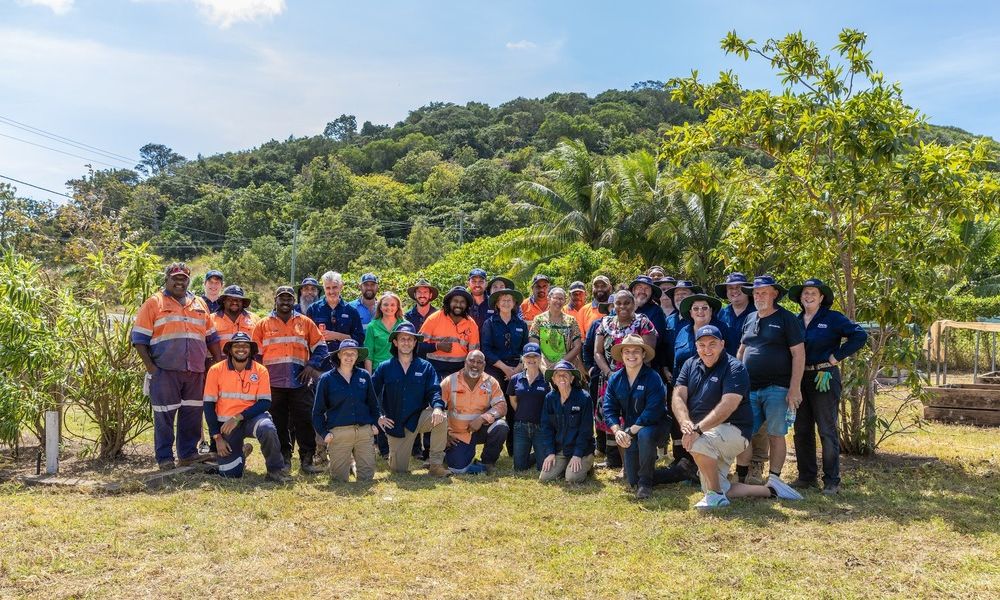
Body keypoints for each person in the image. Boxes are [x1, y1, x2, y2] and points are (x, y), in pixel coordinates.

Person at [672, 325, 803, 509]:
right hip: (704, 432)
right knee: (715, 484)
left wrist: (697, 429)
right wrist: (685, 421)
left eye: (712, 344)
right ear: (696, 346)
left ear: (722, 344)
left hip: (734, 430)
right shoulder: (690, 364)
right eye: (702, 345)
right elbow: (678, 395)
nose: (707, 350)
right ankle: (771, 491)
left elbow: (728, 406)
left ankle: (716, 496)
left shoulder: (735, 367)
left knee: (697, 443)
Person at [132, 263, 222, 470]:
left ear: (189, 281)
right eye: (176, 278)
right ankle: (164, 458)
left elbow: (211, 336)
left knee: (192, 413)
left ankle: (188, 454)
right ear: (167, 280)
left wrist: (217, 362)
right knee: (164, 415)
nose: (180, 282)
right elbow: (139, 340)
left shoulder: (199, 303)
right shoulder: (154, 303)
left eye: (184, 279)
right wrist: (152, 369)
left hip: (195, 371)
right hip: (165, 371)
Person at [788, 278, 867, 494]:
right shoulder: (795, 321)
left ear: (822, 297)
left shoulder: (832, 318)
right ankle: (806, 477)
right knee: (801, 429)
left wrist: (837, 356)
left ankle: (832, 480)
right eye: (805, 292)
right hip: (800, 379)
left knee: (826, 429)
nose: (809, 296)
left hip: (824, 376)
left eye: (813, 293)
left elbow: (860, 335)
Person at [734, 275, 806, 486]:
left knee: (776, 434)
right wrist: (735, 381)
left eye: (763, 292)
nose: (758, 296)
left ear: (775, 294)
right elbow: (742, 350)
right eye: (756, 292)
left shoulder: (786, 318)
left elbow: (799, 354)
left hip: (778, 387)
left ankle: (774, 480)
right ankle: (742, 478)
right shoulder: (750, 318)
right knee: (744, 433)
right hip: (750, 388)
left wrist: (794, 388)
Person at [252, 286, 329, 474]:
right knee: (278, 422)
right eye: (281, 299)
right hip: (273, 384)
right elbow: (255, 355)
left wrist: (311, 366)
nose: (285, 302)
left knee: (305, 420)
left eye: (289, 299)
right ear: (275, 300)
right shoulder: (263, 324)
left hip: (300, 382)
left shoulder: (305, 322)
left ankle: (307, 459)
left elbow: (321, 347)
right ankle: (284, 458)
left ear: (293, 301)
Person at [203, 332, 290, 482]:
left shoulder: (260, 370)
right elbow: (208, 405)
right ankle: (241, 453)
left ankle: (275, 471)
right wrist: (217, 437)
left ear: (251, 350)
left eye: (245, 346)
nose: (241, 349)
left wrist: (238, 417)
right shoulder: (216, 370)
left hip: (252, 419)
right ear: (230, 350)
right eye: (237, 345)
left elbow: (265, 402)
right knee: (230, 475)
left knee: (267, 428)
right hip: (226, 425)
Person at [372, 322, 449, 477]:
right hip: (396, 424)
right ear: (395, 342)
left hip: (418, 418)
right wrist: (378, 416)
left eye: (410, 339)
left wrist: (437, 407)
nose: (406, 342)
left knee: (442, 418)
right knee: (398, 471)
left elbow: (434, 390)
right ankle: (397, 459)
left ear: (415, 343)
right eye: (402, 339)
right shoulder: (384, 367)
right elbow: (370, 393)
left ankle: (435, 465)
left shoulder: (425, 367)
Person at [593, 290, 657, 471]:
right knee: (614, 420)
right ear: (613, 306)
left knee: (630, 421)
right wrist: (609, 373)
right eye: (618, 303)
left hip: (637, 380)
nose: (622, 307)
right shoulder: (605, 323)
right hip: (610, 379)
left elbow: (648, 353)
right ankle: (619, 463)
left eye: (627, 303)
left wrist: (630, 375)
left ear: (634, 304)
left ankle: (632, 464)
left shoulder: (643, 322)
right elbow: (597, 352)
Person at [603, 334, 670, 499]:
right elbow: (608, 408)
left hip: (655, 427)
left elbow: (653, 411)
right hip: (631, 430)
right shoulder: (616, 379)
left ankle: (646, 483)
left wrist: (630, 431)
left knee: (645, 433)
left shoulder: (653, 378)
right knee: (632, 480)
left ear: (643, 354)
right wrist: (617, 430)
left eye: (636, 351)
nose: (631, 355)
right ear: (622, 354)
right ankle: (679, 471)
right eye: (627, 351)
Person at [312, 339, 379, 483]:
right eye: (345, 353)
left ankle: (354, 465)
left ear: (357, 357)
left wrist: (375, 424)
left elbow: (374, 404)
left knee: (367, 478)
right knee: (339, 479)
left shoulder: (364, 376)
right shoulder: (326, 379)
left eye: (353, 354)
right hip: (339, 433)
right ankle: (346, 463)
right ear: (339, 356)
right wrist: (324, 434)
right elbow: (317, 412)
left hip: (363, 432)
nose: (349, 357)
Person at [441, 351, 508, 474]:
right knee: (457, 469)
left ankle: (487, 462)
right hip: (457, 435)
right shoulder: (450, 381)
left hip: (481, 429)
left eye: (479, 362)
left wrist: (483, 418)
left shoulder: (490, 382)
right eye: (471, 361)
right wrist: (444, 434)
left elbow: (502, 406)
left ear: (484, 365)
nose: (475, 365)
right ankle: (450, 454)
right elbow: (436, 409)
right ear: (465, 362)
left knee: (501, 427)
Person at [538, 360, 596, 483]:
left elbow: (586, 430)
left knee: (572, 478)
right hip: (561, 449)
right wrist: (550, 452)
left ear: (572, 379)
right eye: (558, 375)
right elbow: (546, 427)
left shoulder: (584, 398)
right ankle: (566, 465)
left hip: (581, 450)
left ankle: (588, 463)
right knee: (545, 478)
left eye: (566, 375)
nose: (562, 378)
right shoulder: (550, 398)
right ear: (553, 379)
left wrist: (578, 454)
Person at [418, 286, 480, 378]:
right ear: (449, 302)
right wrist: (437, 346)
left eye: (462, 302)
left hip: (460, 370)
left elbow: (474, 353)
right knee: (437, 392)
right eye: (455, 301)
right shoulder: (433, 319)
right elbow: (418, 346)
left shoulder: (471, 324)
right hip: (435, 369)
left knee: (455, 392)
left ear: (467, 305)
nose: (458, 305)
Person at [506, 343, 548, 471]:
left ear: (540, 358)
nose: (531, 359)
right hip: (521, 426)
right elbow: (512, 399)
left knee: (542, 468)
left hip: (541, 426)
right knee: (519, 467)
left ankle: (540, 455)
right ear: (523, 359)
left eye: (534, 356)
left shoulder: (547, 380)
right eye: (528, 357)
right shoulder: (515, 379)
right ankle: (536, 455)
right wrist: (522, 412)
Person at [307, 271, 365, 357]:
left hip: (345, 361)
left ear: (341, 286)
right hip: (319, 362)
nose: (331, 291)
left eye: (334, 287)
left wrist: (337, 336)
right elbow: (306, 338)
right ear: (323, 288)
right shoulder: (313, 309)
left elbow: (359, 339)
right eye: (328, 288)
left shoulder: (351, 311)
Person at [673, 294, 729, 376]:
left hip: (714, 383)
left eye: (704, 308)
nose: (700, 311)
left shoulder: (722, 329)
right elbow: (676, 363)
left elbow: (730, 358)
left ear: (711, 311)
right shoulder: (683, 331)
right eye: (695, 308)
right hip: (684, 383)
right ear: (691, 313)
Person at [530, 287, 583, 371]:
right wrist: (543, 363)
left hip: (565, 366)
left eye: (561, 299)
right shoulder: (539, 320)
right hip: (543, 366)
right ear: (548, 299)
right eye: (555, 298)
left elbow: (577, 346)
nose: (558, 301)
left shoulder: (571, 320)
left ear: (565, 301)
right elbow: (533, 344)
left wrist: (561, 363)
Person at [363, 292, 407, 373]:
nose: (389, 307)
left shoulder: (405, 326)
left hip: (401, 369)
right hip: (379, 371)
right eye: (386, 305)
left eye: (392, 305)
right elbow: (368, 355)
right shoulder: (372, 326)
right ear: (380, 307)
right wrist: (369, 378)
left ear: (398, 307)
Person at [715, 273, 755, 357]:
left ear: (746, 289)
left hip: (751, 365)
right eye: (730, 288)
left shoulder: (758, 312)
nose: (734, 290)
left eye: (738, 287)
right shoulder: (720, 314)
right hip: (725, 365)